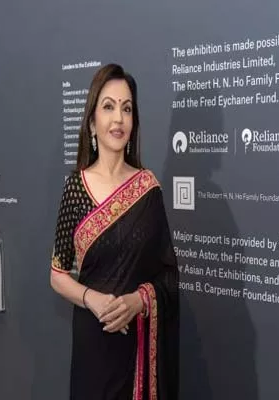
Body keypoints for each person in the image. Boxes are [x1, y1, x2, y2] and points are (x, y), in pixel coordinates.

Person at [50, 64, 179, 400]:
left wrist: (139, 301)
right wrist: (92, 298)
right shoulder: (75, 188)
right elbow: (57, 274)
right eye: (108, 107)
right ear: (92, 122)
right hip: (94, 341)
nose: (118, 119)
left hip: (138, 342)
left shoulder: (147, 188)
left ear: (134, 122)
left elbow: (168, 275)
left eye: (126, 108)